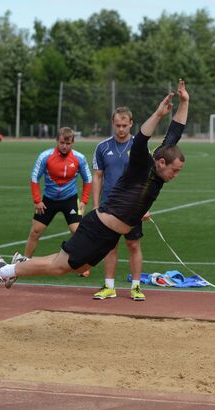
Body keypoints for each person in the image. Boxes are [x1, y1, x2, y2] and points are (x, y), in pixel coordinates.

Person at [0, 79, 189, 299]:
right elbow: (142, 139)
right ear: (162, 163)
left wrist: (185, 102)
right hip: (98, 227)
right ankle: (3, 270)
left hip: (111, 234)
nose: (175, 176)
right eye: (175, 171)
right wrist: (158, 114)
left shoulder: (162, 165)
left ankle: (22, 263)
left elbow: (175, 132)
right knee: (59, 267)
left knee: (76, 267)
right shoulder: (142, 164)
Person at [91, 107, 146, 300]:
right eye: (117, 125)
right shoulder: (102, 147)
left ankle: (136, 287)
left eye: (124, 125)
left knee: (133, 245)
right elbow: (97, 177)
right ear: (113, 124)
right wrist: (96, 205)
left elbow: (146, 179)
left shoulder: (139, 146)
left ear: (131, 124)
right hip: (108, 207)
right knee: (109, 247)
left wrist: (146, 206)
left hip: (132, 206)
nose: (121, 129)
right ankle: (109, 286)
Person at [23, 127, 92, 260]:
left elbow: (88, 180)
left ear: (72, 143)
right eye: (62, 143)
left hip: (70, 199)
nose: (64, 146)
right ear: (57, 141)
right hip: (48, 200)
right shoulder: (45, 156)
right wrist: (37, 200)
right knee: (35, 231)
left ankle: (83, 264)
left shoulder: (79, 158)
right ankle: (25, 261)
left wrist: (84, 201)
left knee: (77, 232)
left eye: (68, 143)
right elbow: (34, 178)